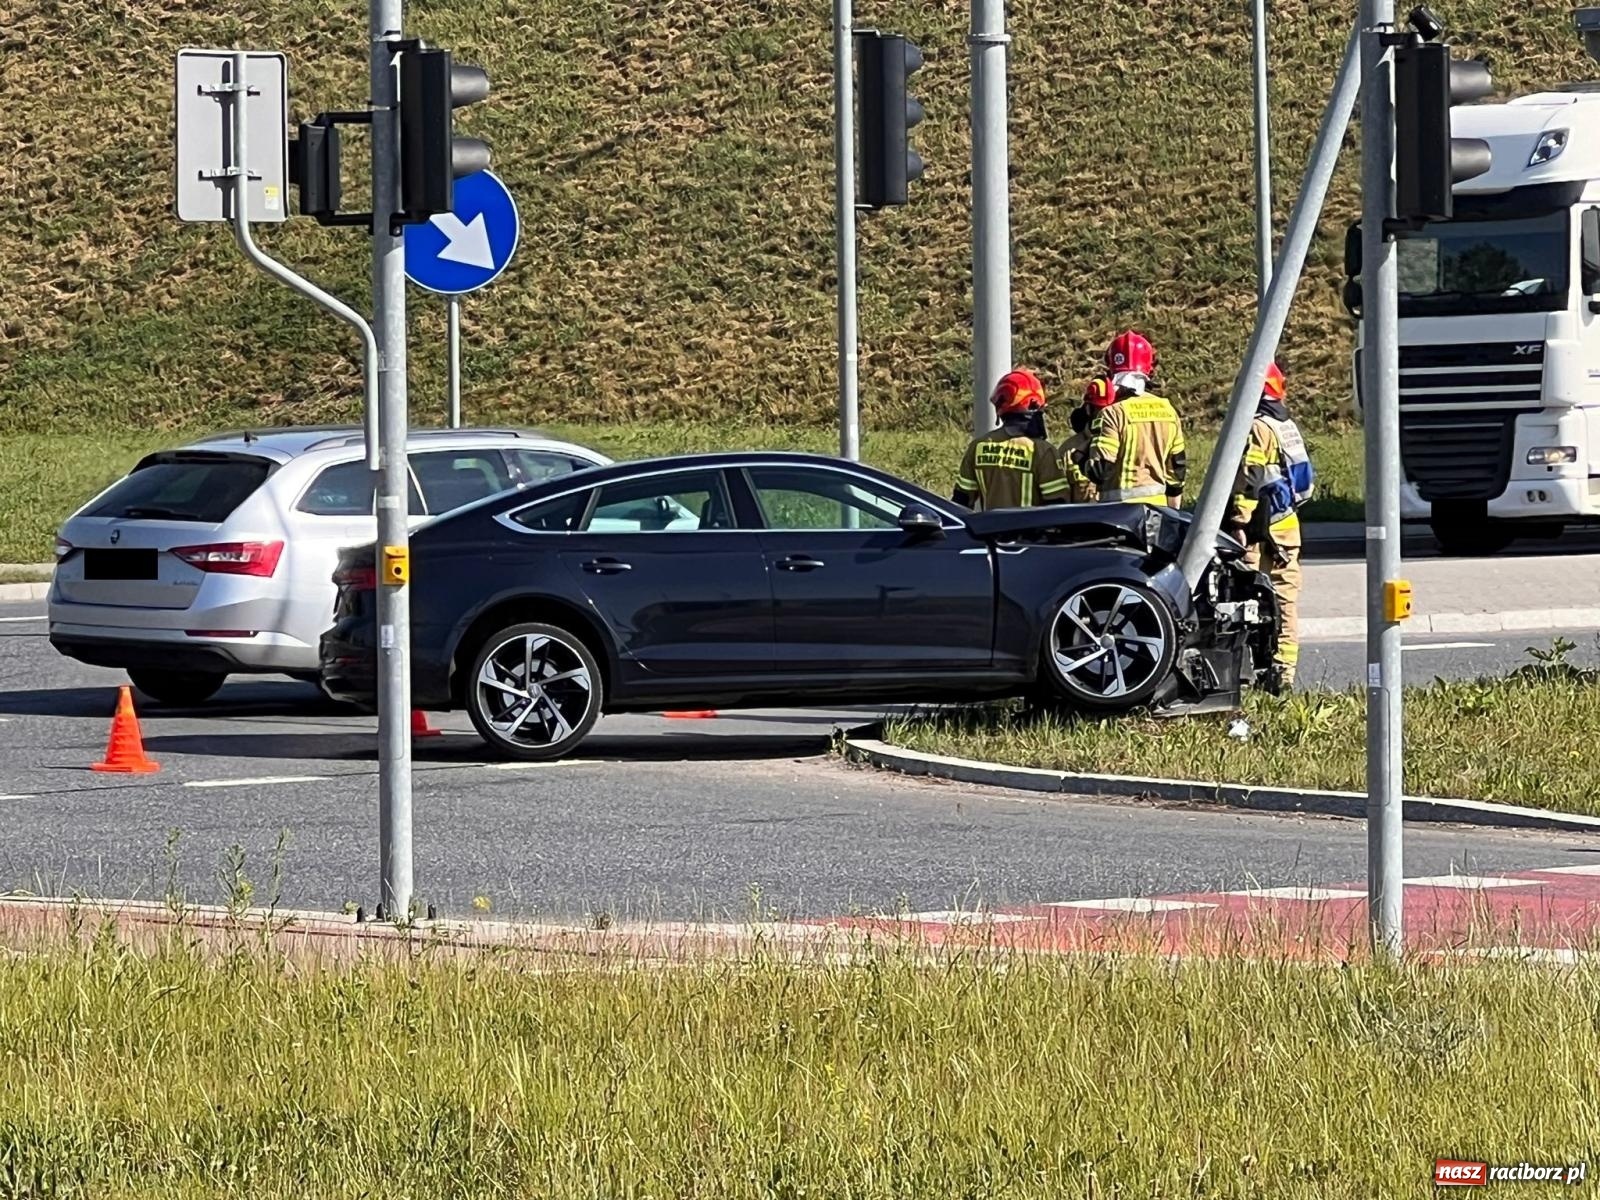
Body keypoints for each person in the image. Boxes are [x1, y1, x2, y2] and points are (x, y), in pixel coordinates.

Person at [1225, 361, 1314, 692]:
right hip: (1287, 524)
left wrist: (1238, 522)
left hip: (1259, 530)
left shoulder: (1257, 428)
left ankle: (1254, 670)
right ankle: (1283, 672)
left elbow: (1251, 480)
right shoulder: (1284, 423)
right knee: (1285, 599)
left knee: (1247, 597)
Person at [1075, 331, 1187, 506]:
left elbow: (1099, 470)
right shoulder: (1168, 410)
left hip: (1119, 514)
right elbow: (1177, 471)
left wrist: (1080, 457)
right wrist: (1173, 514)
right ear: (1149, 368)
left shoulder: (1112, 413)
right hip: (1158, 510)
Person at [953, 368, 1071, 510]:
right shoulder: (1043, 452)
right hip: (1030, 531)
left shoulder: (978, 447)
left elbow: (961, 501)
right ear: (1033, 405)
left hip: (988, 531)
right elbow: (1058, 508)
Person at [1060, 377, 1111, 503]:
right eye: (1101, 411)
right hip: (1081, 520)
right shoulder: (1068, 450)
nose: (1107, 417)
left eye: (1111, 412)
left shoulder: (1125, 443)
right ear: (1088, 409)